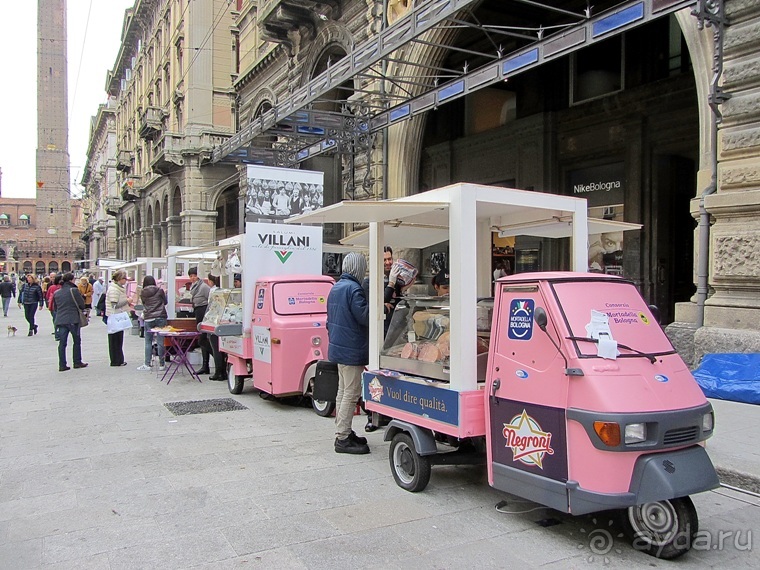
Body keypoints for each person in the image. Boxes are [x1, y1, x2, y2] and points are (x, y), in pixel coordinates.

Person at [326, 252, 370, 455]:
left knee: (342, 391)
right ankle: (342, 438)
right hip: (352, 350)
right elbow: (365, 317)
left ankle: (342, 430)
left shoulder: (336, 287)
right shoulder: (354, 289)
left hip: (338, 347)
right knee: (350, 394)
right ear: (358, 269)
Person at [361, 245, 395, 432]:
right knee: (373, 376)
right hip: (375, 336)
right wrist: (388, 292)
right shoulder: (369, 283)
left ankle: (389, 414)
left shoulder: (394, 281)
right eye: (384, 260)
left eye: (390, 259)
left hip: (393, 334)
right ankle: (371, 416)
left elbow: (393, 303)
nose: (389, 262)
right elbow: (376, 308)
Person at [53, 273, 88, 372]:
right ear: (71, 280)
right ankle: (77, 361)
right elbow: (81, 304)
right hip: (73, 319)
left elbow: (55, 308)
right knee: (76, 341)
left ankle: (62, 364)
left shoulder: (57, 292)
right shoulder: (74, 290)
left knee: (62, 343)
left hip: (60, 320)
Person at [137, 275, 167, 372]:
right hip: (160, 317)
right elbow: (165, 302)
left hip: (149, 318)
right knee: (160, 341)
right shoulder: (160, 290)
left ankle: (147, 364)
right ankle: (162, 364)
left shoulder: (142, 293)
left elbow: (144, 304)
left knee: (148, 341)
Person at [188, 266, 212, 375]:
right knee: (202, 339)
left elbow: (210, 300)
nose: (193, 278)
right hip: (197, 311)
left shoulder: (203, 287)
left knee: (202, 339)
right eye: (191, 276)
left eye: (194, 275)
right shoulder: (194, 287)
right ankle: (205, 365)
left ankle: (216, 359)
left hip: (203, 311)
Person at [106, 270, 132, 366]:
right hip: (115, 316)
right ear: (119, 279)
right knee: (115, 340)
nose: (125, 281)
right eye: (124, 278)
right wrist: (127, 301)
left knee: (118, 339)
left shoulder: (118, 288)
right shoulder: (114, 289)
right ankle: (116, 360)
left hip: (118, 315)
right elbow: (114, 305)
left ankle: (119, 359)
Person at [206, 274, 227, 381]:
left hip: (216, 322)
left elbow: (211, 308)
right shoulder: (226, 291)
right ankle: (223, 371)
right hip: (225, 322)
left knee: (216, 349)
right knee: (222, 349)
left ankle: (219, 372)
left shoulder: (215, 293)